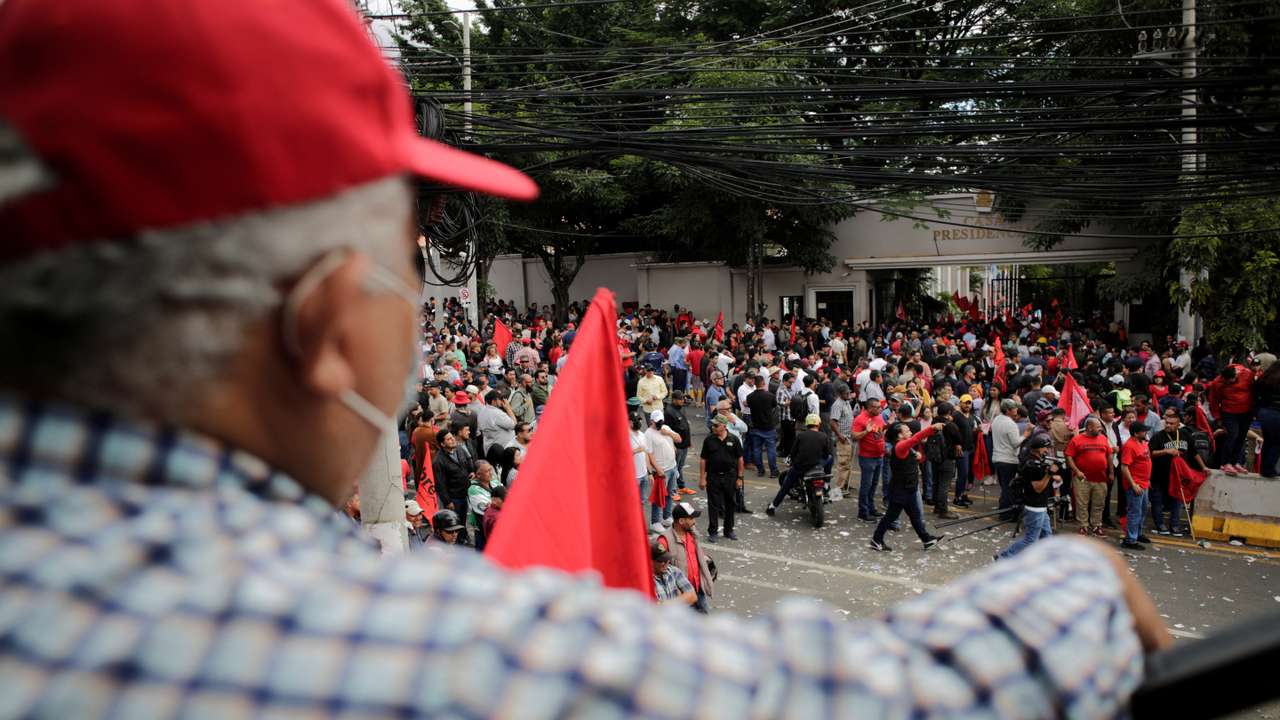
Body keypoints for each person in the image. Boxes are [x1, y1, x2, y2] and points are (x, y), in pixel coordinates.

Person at [0, 1, 1173, 713]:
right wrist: (1071, 582)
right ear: (321, 325)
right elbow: (893, 703)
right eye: (412, 260)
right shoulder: (397, 652)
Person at [869, 422, 946, 552]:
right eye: (907, 431)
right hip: (901, 490)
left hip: (909, 488)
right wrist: (932, 428)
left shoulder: (907, 448)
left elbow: (916, 455)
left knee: (915, 516)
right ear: (899, 435)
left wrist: (918, 456)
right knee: (890, 517)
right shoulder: (900, 446)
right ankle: (876, 540)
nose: (910, 432)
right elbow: (916, 438)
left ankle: (926, 539)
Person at [995, 434, 1058, 561]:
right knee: (1030, 539)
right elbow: (1038, 487)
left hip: (1041, 506)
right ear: (1037, 449)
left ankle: (1047, 559)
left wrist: (1052, 475)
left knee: (1046, 536)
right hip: (1034, 507)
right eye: (1045, 448)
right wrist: (1050, 474)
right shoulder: (1031, 465)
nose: (1048, 450)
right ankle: (1003, 557)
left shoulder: (1036, 460)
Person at [767, 414, 830, 515]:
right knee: (830, 458)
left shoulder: (800, 436)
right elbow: (827, 454)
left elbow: (793, 452)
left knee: (786, 486)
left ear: (807, 424)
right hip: (816, 466)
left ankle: (772, 506)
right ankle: (826, 483)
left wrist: (793, 461)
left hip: (800, 467)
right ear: (818, 424)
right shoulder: (824, 436)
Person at [656, 502, 715, 612]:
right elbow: (658, 569)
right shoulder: (664, 541)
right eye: (691, 518)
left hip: (698, 589)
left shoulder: (692, 534)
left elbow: (696, 556)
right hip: (682, 594)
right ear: (681, 521)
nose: (694, 521)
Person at [1066, 416, 1112, 536]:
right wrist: (1076, 471)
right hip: (1082, 478)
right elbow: (1069, 456)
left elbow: (1109, 456)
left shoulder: (1103, 439)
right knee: (1082, 503)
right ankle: (1083, 526)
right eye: (1098, 427)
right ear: (1089, 427)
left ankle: (1096, 525)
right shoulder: (1077, 440)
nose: (1100, 429)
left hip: (1101, 478)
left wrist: (1111, 473)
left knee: (1099, 503)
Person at [700, 416, 745, 542]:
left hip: (730, 476)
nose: (713, 427)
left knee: (730, 503)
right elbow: (703, 459)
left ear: (724, 426)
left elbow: (740, 459)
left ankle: (728, 530)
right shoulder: (709, 440)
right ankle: (713, 531)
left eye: (716, 425)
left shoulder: (734, 439)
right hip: (713, 476)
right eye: (713, 425)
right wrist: (702, 478)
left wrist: (740, 478)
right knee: (713, 505)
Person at [992, 398, 1030, 520]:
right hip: (1008, 460)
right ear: (1008, 410)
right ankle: (1006, 515)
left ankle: (1004, 512)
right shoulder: (1010, 424)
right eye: (1014, 408)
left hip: (998, 458)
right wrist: (1026, 434)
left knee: (1004, 488)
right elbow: (1015, 443)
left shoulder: (997, 419)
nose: (1016, 410)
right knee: (1008, 489)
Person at [645, 409, 683, 532]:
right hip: (662, 470)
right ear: (651, 421)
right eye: (657, 422)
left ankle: (666, 517)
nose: (660, 423)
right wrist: (657, 469)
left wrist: (669, 433)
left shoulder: (665, 428)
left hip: (672, 466)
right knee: (658, 496)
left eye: (661, 421)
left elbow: (679, 440)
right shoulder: (648, 434)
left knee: (669, 494)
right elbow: (649, 453)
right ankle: (655, 521)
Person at [851, 397, 888, 521]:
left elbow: (881, 431)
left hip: (879, 456)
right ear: (870, 408)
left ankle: (871, 508)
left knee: (874, 485)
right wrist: (866, 432)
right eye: (877, 407)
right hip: (867, 458)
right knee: (866, 485)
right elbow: (854, 436)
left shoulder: (879, 417)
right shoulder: (860, 419)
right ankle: (863, 512)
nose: (880, 409)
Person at [1120, 422, 1155, 550]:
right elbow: (1124, 467)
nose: (1146, 433)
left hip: (1144, 483)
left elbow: (1146, 462)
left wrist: (1147, 479)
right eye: (1143, 431)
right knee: (1134, 512)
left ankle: (1137, 534)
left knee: (1143, 510)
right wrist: (1133, 484)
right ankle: (1130, 539)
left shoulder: (1143, 443)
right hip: (1136, 484)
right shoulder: (1129, 446)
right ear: (1136, 433)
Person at [745, 374, 780, 479]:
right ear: (763, 383)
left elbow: (749, 405)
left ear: (755, 384)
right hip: (768, 426)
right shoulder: (770, 396)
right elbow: (774, 405)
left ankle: (760, 470)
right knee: (771, 449)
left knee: (757, 449)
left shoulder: (750, 397)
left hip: (755, 426)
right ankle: (773, 471)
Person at [665, 390, 695, 494]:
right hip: (677, 446)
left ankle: (681, 487)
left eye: (683, 398)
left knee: (680, 467)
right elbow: (668, 431)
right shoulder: (669, 412)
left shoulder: (681, 408)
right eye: (680, 399)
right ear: (674, 400)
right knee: (674, 468)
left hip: (684, 444)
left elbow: (685, 425)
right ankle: (672, 490)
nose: (683, 400)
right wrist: (673, 446)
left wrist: (689, 441)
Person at [651, 541, 698, 606]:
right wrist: (683, 598)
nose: (666, 563)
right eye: (661, 561)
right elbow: (654, 608)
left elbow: (693, 596)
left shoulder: (674, 571)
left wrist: (665, 604)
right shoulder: (646, 580)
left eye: (667, 559)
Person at [829, 384, 856, 495]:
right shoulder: (838, 404)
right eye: (846, 393)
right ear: (841, 394)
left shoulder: (846, 402)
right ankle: (839, 488)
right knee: (843, 464)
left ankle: (846, 484)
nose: (849, 395)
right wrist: (840, 435)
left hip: (849, 437)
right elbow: (833, 422)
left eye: (849, 393)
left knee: (848, 464)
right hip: (843, 438)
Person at [466, 460, 499, 551]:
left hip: (496, 528)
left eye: (490, 470)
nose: (491, 473)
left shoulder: (494, 482)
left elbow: (505, 495)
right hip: (482, 529)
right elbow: (488, 509)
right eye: (487, 471)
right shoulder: (473, 490)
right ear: (478, 475)